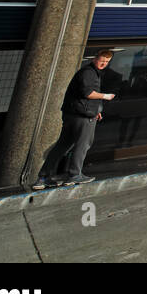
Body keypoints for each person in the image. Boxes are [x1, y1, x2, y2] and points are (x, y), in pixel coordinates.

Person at [32, 49, 117, 189]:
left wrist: (97, 110)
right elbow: (88, 93)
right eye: (102, 60)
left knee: (62, 145)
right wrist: (105, 96)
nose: (104, 64)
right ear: (95, 58)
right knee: (83, 144)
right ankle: (74, 175)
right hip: (82, 117)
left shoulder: (89, 72)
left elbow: (82, 96)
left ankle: (43, 177)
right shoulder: (88, 72)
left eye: (107, 62)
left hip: (73, 114)